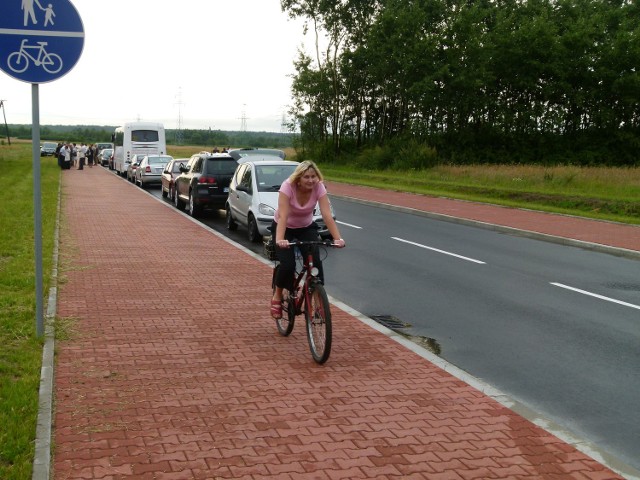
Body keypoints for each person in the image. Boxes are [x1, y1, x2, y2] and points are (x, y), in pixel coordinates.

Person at [270, 160, 345, 319]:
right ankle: (277, 296)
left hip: (306, 227)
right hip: (284, 227)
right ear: (299, 178)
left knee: (315, 262)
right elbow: (283, 216)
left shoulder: (319, 188)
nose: (311, 180)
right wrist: (280, 239)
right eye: (306, 177)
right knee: (288, 265)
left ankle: (316, 302)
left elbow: (326, 214)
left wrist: (337, 238)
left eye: (313, 176)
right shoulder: (287, 187)